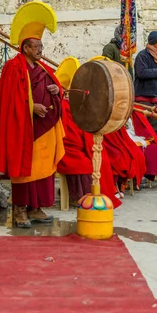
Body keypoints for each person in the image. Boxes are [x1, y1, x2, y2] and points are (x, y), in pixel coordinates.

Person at [0, 1, 65, 228]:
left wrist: (56, 91)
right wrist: (31, 108)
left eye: (41, 46)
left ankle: (36, 207)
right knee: (25, 169)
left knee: (42, 169)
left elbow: (58, 88)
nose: (40, 50)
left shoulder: (42, 68)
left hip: (43, 128)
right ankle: (20, 209)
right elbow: (9, 100)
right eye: (36, 46)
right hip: (23, 128)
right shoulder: (13, 68)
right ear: (25, 48)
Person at [55, 57, 122, 207]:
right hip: (66, 149)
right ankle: (78, 196)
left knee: (102, 159)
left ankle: (92, 193)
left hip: (79, 146)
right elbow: (70, 134)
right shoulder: (64, 107)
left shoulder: (76, 106)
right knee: (86, 163)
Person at [134, 31, 157, 135]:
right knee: (140, 131)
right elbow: (141, 72)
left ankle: (153, 151)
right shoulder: (142, 55)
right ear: (153, 43)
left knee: (154, 132)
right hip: (143, 100)